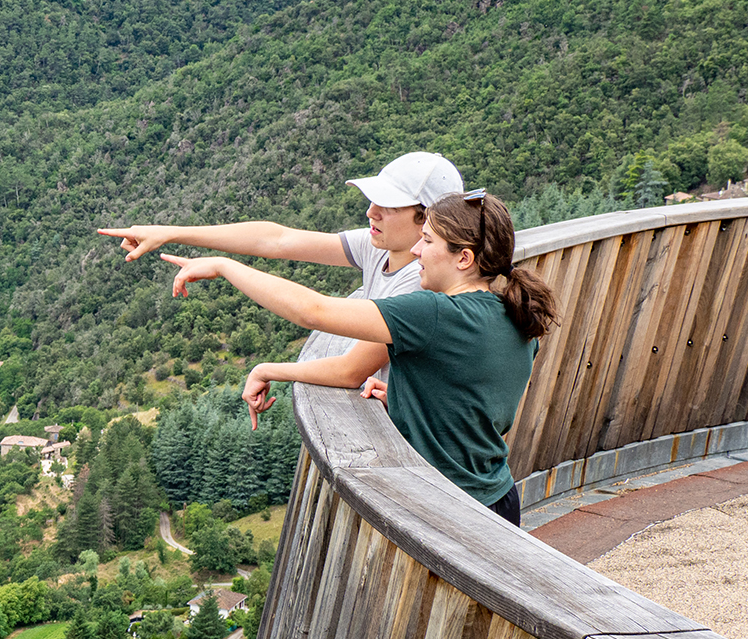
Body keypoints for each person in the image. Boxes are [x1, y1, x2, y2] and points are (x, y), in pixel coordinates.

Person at [159, 192, 557, 524]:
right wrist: (410, 398)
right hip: (499, 500)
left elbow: (314, 311)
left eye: (429, 241)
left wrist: (225, 267)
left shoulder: (433, 313)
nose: (417, 249)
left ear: (464, 259)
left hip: (449, 509)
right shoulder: (513, 313)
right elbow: (478, 403)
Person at [99, 151, 464, 391]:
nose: (371, 212)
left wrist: (269, 368)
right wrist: (170, 233)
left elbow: (350, 370)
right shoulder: (380, 246)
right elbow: (277, 240)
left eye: (388, 206)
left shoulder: (421, 283)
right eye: (373, 201)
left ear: (427, 220)